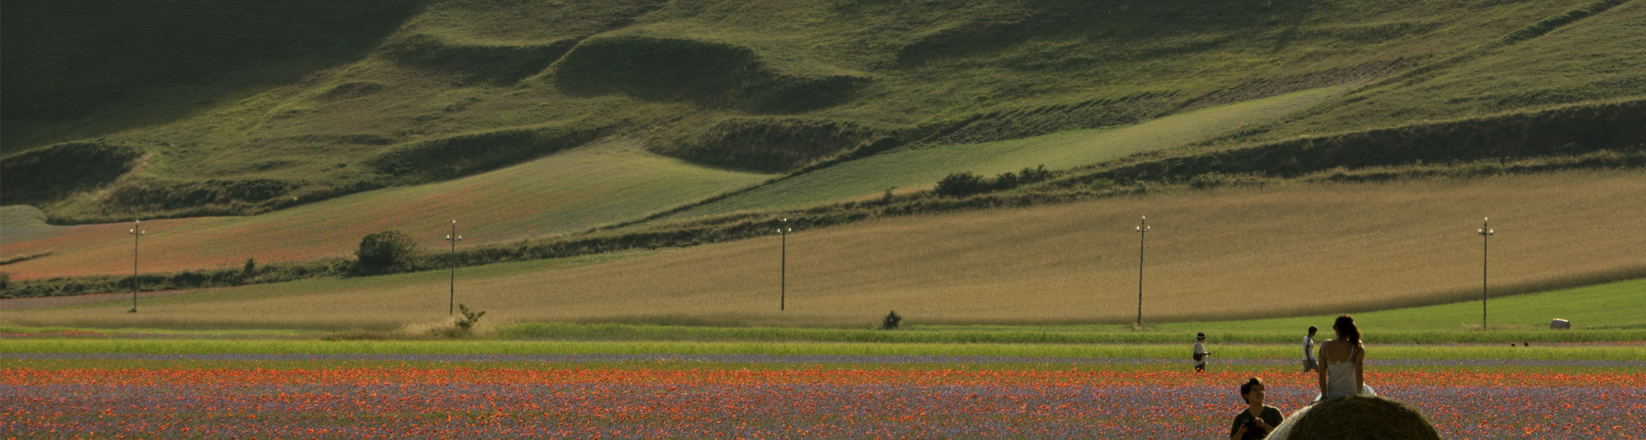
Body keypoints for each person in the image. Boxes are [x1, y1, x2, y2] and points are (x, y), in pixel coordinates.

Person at [1316, 314, 1373, 400]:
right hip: (1352, 392)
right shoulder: (1357, 347)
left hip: (1332, 393)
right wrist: (1360, 394)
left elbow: (1322, 374)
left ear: (1337, 329)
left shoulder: (1325, 346)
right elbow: (1359, 371)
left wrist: (1324, 396)